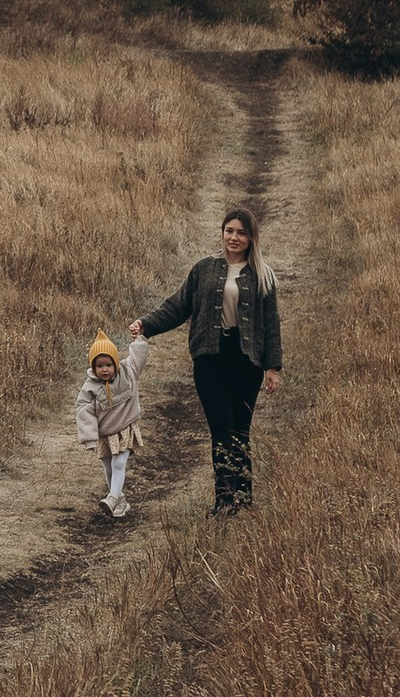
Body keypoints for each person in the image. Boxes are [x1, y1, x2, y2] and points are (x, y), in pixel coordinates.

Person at [136, 205, 283, 515]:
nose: (234, 237)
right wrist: (147, 325)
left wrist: (272, 366)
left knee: (241, 431)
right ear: (222, 233)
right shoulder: (204, 269)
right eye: (229, 231)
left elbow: (271, 324)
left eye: (241, 232)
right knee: (222, 428)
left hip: (247, 361)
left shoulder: (263, 275)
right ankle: (224, 501)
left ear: (251, 238)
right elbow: (177, 306)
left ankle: (244, 501)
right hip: (210, 359)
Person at [75, 324, 149, 517]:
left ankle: (113, 496)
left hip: (124, 428)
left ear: (115, 362)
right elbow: (84, 410)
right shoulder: (90, 386)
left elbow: (138, 357)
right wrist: (90, 437)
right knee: (108, 467)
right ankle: (120, 502)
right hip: (105, 434)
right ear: (93, 367)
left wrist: (138, 339)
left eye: (108, 364)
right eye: (99, 366)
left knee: (118, 463)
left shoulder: (127, 371)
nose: (104, 370)